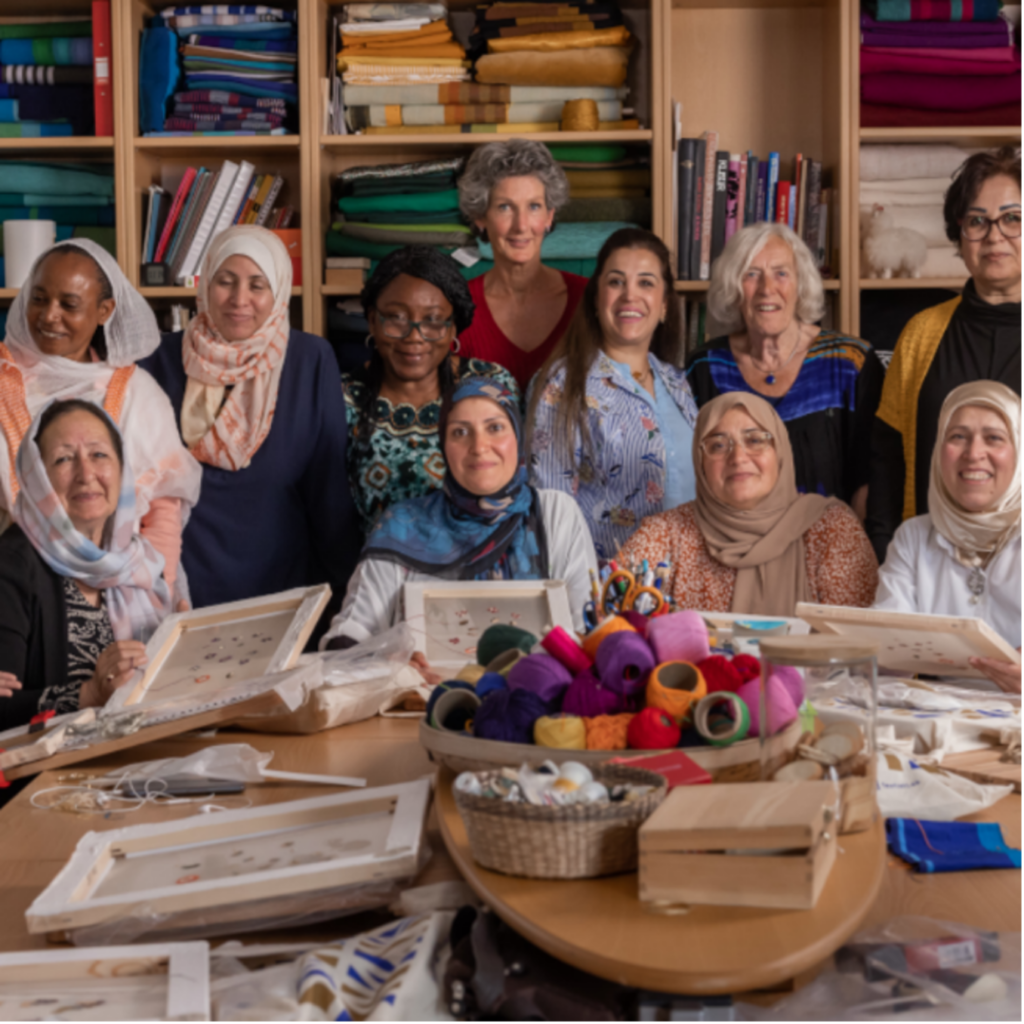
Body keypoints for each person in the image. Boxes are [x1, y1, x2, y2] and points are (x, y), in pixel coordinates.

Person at [140, 226, 357, 609]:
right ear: (205, 283)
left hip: (284, 588)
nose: (240, 299)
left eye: (258, 285)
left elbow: (329, 494)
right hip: (180, 586)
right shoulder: (156, 361)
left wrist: (344, 598)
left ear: (279, 292)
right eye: (225, 281)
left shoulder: (310, 361)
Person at [323, 377, 598, 664]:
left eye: (495, 428)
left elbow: (586, 630)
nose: (479, 446)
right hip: (423, 704)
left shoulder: (554, 513)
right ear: (443, 446)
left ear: (518, 436)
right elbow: (350, 634)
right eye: (460, 432)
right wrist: (391, 666)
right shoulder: (402, 525)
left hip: (540, 702)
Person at [0, 240, 201, 596]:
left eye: (69, 304)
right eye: (39, 298)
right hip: (11, 591)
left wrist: (158, 595)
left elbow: (162, 514)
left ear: (104, 310)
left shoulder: (137, 394)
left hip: (120, 596)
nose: (49, 315)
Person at [867, 146, 1022, 562]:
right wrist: (887, 552)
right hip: (931, 571)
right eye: (977, 221)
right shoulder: (921, 333)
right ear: (959, 234)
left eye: (1012, 219)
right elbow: (888, 459)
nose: (994, 236)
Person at [616, 392, 879, 617]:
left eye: (755, 440)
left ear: (781, 452)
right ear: (700, 461)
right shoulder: (667, 533)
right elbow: (612, 625)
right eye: (718, 445)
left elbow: (858, 651)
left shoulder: (832, 530)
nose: (738, 457)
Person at [686, 223, 884, 518]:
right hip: (734, 552)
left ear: (800, 284)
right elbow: (693, 478)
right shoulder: (703, 367)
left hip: (829, 550)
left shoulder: (849, 363)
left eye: (781, 273)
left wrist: (853, 553)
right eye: (751, 274)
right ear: (734, 289)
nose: (767, 289)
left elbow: (871, 477)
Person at [0, 400, 173, 731]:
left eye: (98, 455)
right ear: (37, 479)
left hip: (147, 751)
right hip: (53, 776)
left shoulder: (142, 564)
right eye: (64, 459)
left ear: (122, 469)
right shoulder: (11, 566)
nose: (86, 474)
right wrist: (90, 694)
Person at [528, 228, 698, 560]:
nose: (629, 296)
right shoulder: (561, 385)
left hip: (689, 580)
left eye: (646, 283)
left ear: (664, 306)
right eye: (616, 282)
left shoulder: (678, 382)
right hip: (609, 590)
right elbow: (550, 514)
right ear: (596, 300)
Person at [344, 247, 518, 539]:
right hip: (376, 574)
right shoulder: (343, 401)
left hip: (480, 570)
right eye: (396, 317)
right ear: (372, 320)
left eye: (433, 320)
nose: (414, 336)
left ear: (453, 329)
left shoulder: (491, 386)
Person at [875, 382, 1021, 694]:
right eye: (957, 437)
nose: (974, 453)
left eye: (994, 438)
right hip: (941, 723)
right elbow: (887, 651)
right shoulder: (913, 538)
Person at [456, 139, 589, 389]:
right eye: (505, 207)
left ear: (550, 216)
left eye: (534, 206)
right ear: (480, 217)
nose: (521, 225)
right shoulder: (457, 306)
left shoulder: (588, 298)